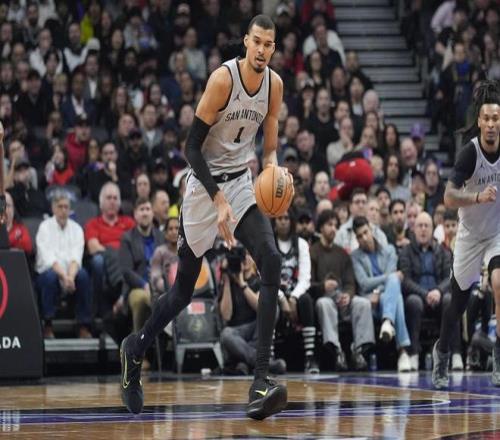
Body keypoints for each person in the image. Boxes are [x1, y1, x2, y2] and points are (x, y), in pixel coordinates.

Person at [119, 15, 290, 419]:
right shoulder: (222, 80)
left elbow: (268, 149)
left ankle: (260, 382)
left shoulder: (275, 86)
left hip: (241, 181)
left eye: (269, 44)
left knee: (271, 260)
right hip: (203, 186)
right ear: (246, 41)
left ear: (273, 48)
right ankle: (135, 348)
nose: (262, 50)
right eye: (257, 42)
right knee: (182, 292)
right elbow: (191, 149)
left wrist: (274, 172)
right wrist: (217, 200)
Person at [432, 80, 500, 388]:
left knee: (498, 283)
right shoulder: (469, 153)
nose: (491, 124)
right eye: (486, 118)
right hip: (470, 235)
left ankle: (498, 354)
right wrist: (477, 197)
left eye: (496, 118)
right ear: (479, 121)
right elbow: (448, 198)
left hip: (497, 233)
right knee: (457, 304)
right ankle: (442, 352)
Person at [351, 216, 412, 372]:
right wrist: (387, 279)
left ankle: (387, 322)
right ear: (357, 239)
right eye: (359, 236)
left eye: (366, 232)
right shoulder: (355, 256)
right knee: (395, 287)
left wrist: (378, 290)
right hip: (369, 301)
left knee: (395, 295)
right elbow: (364, 283)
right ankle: (403, 352)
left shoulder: (389, 250)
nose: (364, 238)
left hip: (384, 298)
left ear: (371, 230)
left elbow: (389, 280)